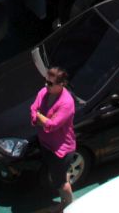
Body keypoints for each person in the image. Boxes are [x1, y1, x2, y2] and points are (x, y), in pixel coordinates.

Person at [31, 66, 77, 210]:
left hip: (60, 150)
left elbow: (52, 125)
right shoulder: (44, 92)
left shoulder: (66, 103)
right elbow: (33, 109)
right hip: (47, 144)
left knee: (61, 183)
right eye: (46, 81)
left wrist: (39, 116)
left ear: (61, 84)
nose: (46, 85)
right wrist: (38, 117)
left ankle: (68, 206)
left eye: (50, 83)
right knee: (59, 175)